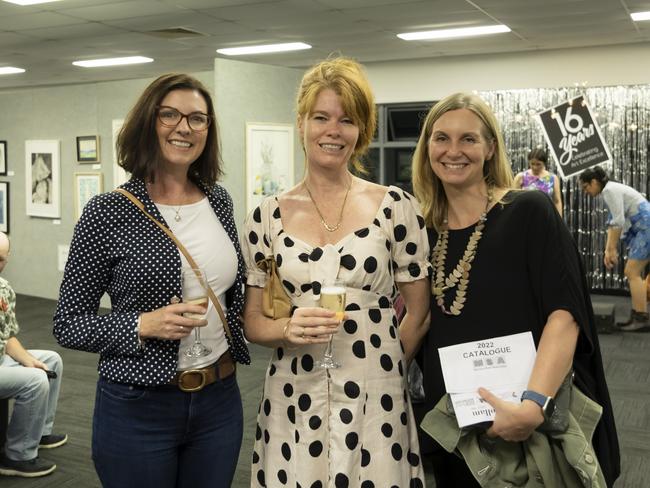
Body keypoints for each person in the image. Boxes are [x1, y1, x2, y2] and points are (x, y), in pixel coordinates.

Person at [411, 92, 620, 487]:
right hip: (456, 428)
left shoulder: (528, 212)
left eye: (468, 139)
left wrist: (534, 405)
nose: (453, 151)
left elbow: (565, 314)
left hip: (528, 421)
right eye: (441, 138)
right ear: (427, 148)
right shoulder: (422, 232)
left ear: (490, 147)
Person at [53, 73, 250, 488]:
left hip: (219, 398)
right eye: (170, 115)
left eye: (198, 118)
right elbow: (67, 323)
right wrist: (141, 325)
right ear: (148, 122)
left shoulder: (219, 200)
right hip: (138, 405)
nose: (184, 127)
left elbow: (234, 291)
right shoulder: (106, 212)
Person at [241, 57, 430, 487]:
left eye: (347, 120)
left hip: (377, 393)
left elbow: (418, 313)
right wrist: (286, 327)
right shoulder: (266, 217)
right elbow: (253, 322)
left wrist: (383, 368)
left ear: (361, 129)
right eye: (321, 117)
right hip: (294, 390)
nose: (333, 130)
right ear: (301, 123)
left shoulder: (395, 206)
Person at [0, 232, 67, 478]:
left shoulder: (3, 289)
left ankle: (38, 433)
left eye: (0, 260)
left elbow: (7, 337)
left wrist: (29, 360)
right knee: (35, 380)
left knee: (51, 361)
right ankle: (17, 456)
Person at [579, 165, 650, 331]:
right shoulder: (612, 189)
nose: (585, 191)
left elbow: (617, 222)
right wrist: (609, 249)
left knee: (632, 272)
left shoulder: (609, 191)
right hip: (645, 229)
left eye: (585, 187)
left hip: (647, 229)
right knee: (633, 272)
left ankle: (641, 318)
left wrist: (611, 249)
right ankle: (639, 315)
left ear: (594, 182)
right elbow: (614, 224)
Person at [513, 147, 563, 216]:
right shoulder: (521, 177)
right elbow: (513, 200)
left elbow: (557, 201)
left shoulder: (553, 178)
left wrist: (559, 219)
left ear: (544, 163)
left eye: (538, 164)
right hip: (525, 215)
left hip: (546, 216)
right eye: (532, 164)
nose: (535, 167)